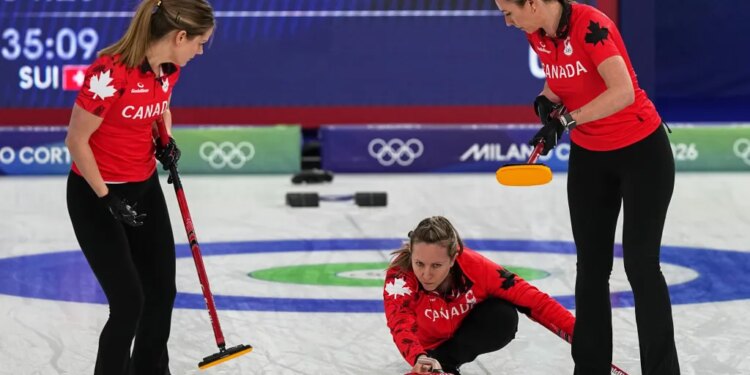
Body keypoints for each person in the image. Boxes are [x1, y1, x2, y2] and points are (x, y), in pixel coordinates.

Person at [494, 0, 680, 374]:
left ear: (532, 3)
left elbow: (623, 91)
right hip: (591, 158)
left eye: (508, 11)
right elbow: (562, 80)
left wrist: (568, 121)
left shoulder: (591, 24)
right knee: (591, 268)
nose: (507, 21)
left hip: (642, 152)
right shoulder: (537, 34)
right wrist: (547, 103)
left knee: (641, 266)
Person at [64, 1, 214, 374]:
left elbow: (160, 107)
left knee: (161, 294)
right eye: (199, 43)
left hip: (144, 188)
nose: (200, 51)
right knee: (129, 303)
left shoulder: (168, 70)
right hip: (95, 195)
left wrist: (166, 139)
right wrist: (106, 197)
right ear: (180, 36)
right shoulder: (109, 73)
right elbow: (76, 141)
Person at [383, 216, 576, 375]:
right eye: (419, 263)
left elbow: (536, 302)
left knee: (503, 316)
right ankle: (433, 363)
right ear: (411, 251)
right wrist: (419, 357)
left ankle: (445, 361)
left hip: (458, 339)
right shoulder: (399, 277)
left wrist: (585, 340)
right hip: (421, 348)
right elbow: (399, 323)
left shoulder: (477, 268)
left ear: (454, 256)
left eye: (436, 265)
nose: (426, 274)